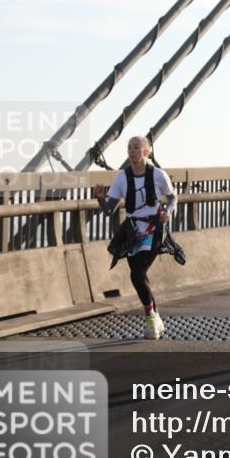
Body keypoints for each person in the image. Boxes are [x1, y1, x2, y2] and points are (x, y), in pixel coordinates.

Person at [93, 136, 178, 339]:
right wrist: (100, 198)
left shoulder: (158, 175)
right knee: (140, 276)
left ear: (146, 152)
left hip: (153, 228)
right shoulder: (122, 178)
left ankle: (149, 316)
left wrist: (167, 211)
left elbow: (173, 196)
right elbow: (108, 210)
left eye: (136, 148)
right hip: (132, 231)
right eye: (129, 148)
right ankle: (155, 316)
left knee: (137, 274)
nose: (132, 151)